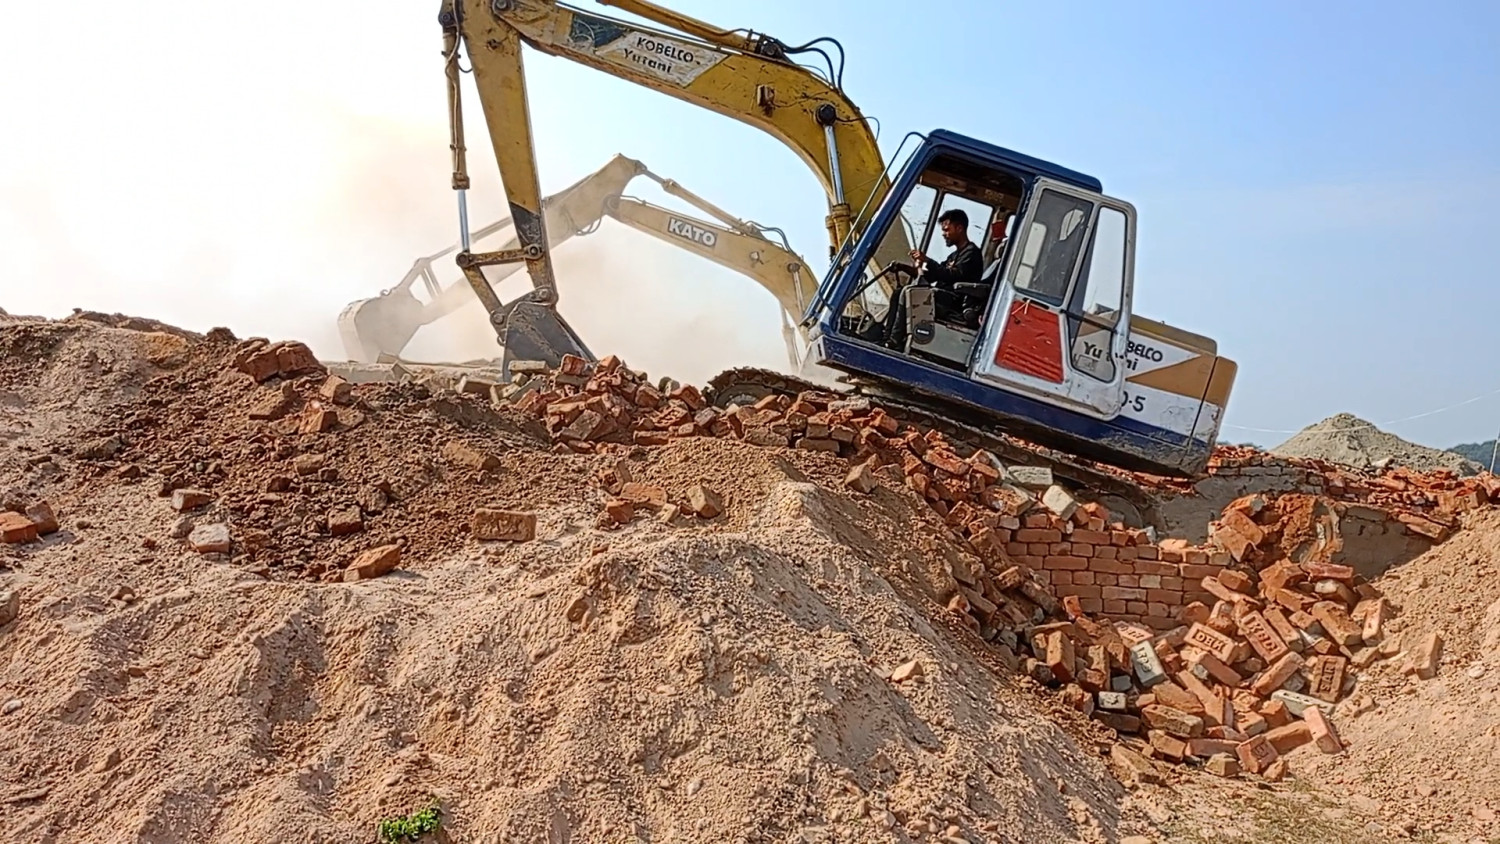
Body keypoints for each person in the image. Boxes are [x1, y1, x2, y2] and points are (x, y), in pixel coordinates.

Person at [861, 208, 986, 348]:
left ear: (959, 228)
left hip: (955, 300)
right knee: (898, 293)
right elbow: (932, 275)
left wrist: (927, 260)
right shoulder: (954, 255)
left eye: (947, 230)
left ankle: (895, 340)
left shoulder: (971, 253)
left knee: (909, 292)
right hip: (942, 295)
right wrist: (904, 267)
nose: (944, 234)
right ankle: (887, 337)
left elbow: (952, 275)